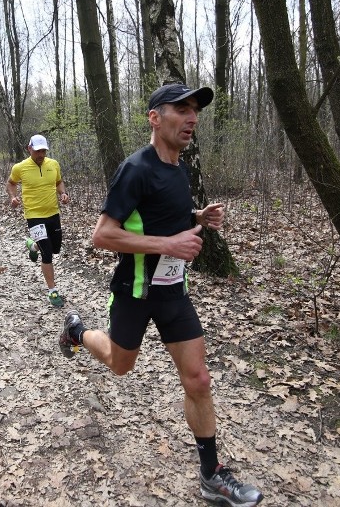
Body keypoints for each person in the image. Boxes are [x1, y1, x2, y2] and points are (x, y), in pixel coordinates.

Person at [59, 84, 264, 506]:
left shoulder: (179, 169)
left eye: (195, 112)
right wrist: (168, 246)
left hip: (173, 292)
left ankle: (212, 475)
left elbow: (159, 215)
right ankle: (79, 333)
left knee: (199, 379)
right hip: (134, 292)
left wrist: (196, 216)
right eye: (181, 110)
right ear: (155, 117)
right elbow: (102, 235)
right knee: (120, 364)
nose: (192, 118)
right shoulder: (135, 168)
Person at [6, 134, 70, 307]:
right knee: (47, 253)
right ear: (29, 149)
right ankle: (52, 290)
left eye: (43, 151)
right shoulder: (20, 167)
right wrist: (13, 197)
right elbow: (11, 183)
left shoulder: (53, 164)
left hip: (53, 213)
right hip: (33, 215)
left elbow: (58, 181)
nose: (41, 154)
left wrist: (63, 193)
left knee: (55, 248)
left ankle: (33, 246)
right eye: (37, 151)